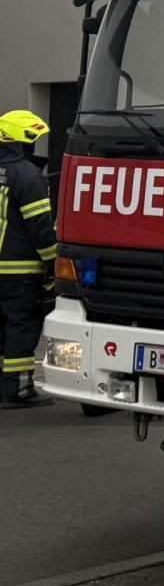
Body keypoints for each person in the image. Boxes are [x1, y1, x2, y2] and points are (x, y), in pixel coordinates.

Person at [0, 109, 58, 409]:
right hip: (19, 270)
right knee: (21, 326)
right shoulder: (27, 175)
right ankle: (18, 390)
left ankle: (4, 385)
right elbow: (40, 228)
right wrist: (54, 262)